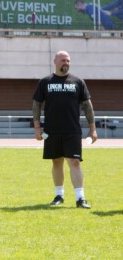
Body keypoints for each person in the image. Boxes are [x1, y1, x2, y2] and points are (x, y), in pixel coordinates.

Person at [32, 50, 98, 209]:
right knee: (56, 162)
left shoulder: (78, 82)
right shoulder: (45, 82)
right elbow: (36, 104)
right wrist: (37, 127)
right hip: (52, 131)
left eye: (67, 60)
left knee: (75, 162)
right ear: (55, 61)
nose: (65, 63)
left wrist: (93, 129)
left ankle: (80, 198)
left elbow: (87, 106)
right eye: (62, 60)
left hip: (72, 130)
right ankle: (59, 195)